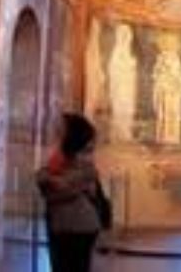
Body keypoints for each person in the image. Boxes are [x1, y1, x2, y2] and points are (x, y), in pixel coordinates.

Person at [36, 112, 108, 271]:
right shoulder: (59, 161)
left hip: (79, 228)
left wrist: (52, 182)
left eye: (61, 130)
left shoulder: (85, 165)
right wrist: (51, 181)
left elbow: (61, 189)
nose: (56, 134)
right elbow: (41, 178)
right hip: (60, 226)